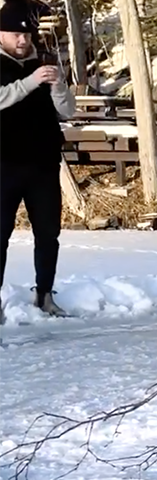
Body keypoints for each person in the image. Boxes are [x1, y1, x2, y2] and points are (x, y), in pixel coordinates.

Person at [0, 0, 75, 325]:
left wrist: (58, 85)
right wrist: (30, 82)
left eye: (26, 34)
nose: (22, 40)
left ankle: (44, 295)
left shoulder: (44, 62)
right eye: (15, 34)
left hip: (43, 164)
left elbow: (68, 111)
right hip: (3, 165)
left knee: (48, 234)